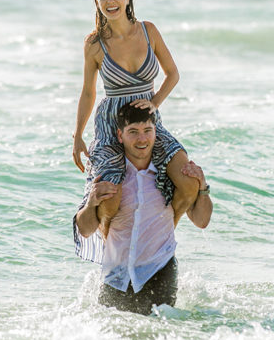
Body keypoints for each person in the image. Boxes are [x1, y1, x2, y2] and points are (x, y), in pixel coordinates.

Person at [72, 0, 199, 258]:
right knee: (109, 195)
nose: (110, 0)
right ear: (96, 2)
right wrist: (78, 135)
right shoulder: (94, 43)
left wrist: (154, 102)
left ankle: (163, 233)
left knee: (187, 180)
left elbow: (173, 74)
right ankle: (112, 245)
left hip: (147, 124)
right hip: (110, 125)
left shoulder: (148, 30)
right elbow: (88, 93)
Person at [75, 104, 213, 315]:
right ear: (120, 135)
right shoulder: (110, 179)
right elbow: (84, 230)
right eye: (133, 132)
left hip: (159, 271)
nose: (142, 139)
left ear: (156, 133)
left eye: (147, 131)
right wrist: (92, 201)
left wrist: (202, 186)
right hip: (116, 278)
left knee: (160, 337)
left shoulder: (169, 178)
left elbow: (202, 221)